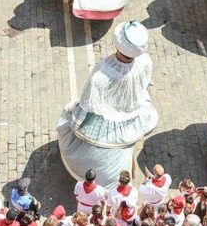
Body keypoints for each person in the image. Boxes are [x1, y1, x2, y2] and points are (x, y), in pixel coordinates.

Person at [57, 21, 157, 187]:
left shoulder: (102, 72)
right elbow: (143, 85)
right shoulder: (145, 62)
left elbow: (88, 100)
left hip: (103, 116)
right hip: (132, 114)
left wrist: (76, 117)